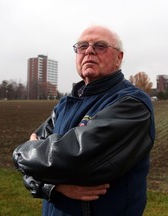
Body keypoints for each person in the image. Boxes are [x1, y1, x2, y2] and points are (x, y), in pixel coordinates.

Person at [12, 25, 155, 216]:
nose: (89, 50)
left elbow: (77, 159)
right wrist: (53, 187)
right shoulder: (65, 104)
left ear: (119, 58)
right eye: (82, 46)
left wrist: (24, 154)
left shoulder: (132, 103)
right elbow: (32, 162)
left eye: (100, 46)